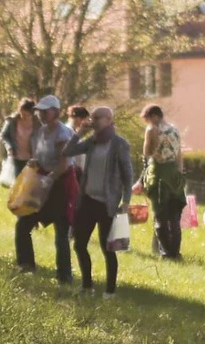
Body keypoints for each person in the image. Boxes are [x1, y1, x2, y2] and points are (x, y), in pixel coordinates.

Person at [63, 107, 133, 297]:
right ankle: (87, 286)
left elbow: (128, 175)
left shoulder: (119, 144)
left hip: (107, 204)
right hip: (87, 201)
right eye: (91, 118)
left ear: (109, 120)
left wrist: (126, 200)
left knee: (108, 248)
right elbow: (67, 151)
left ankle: (110, 291)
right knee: (79, 244)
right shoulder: (92, 141)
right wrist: (79, 133)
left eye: (97, 118)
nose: (92, 121)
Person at [14, 95, 75, 282]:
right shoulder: (41, 132)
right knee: (23, 224)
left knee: (61, 233)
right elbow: (40, 156)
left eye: (45, 110)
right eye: (39, 110)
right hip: (42, 184)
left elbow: (63, 164)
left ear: (56, 111)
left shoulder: (63, 133)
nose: (41, 114)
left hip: (60, 186)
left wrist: (49, 178)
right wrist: (34, 165)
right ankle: (26, 265)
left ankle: (64, 276)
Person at [138, 105, 184, 259]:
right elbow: (179, 154)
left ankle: (166, 252)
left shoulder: (151, 130)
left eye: (147, 119)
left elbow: (147, 153)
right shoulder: (175, 130)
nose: (147, 122)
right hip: (174, 174)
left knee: (160, 216)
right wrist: (180, 172)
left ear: (154, 116)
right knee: (174, 217)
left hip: (159, 173)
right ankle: (175, 252)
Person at [0, 98, 40, 177]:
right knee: (17, 184)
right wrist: (9, 147)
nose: (23, 117)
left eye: (26, 115)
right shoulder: (12, 121)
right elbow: (4, 135)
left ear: (32, 113)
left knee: (30, 186)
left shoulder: (38, 123)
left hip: (32, 158)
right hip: (16, 157)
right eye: (22, 114)